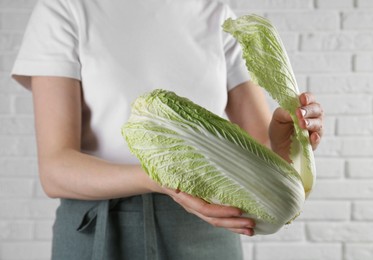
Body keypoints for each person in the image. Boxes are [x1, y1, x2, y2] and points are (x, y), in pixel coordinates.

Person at [11, 0, 323, 259]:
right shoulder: (65, 8)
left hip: (205, 231)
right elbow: (55, 170)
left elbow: (260, 148)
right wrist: (163, 177)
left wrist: (288, 145)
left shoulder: (215, 12)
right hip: (100, 231)